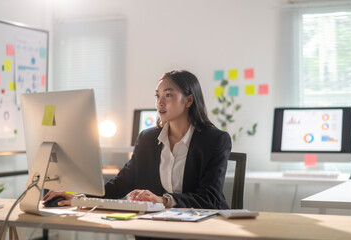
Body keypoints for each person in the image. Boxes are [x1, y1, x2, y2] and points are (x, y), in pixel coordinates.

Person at [43, 70, 231, 210]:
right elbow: (121, 183)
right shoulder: (148, 139)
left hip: (205, 227)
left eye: (168, 95)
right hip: (162, 226)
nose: (160, 102)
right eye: (158, 96)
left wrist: (164, 200)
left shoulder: (216, 140)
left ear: (189, 100)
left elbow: (210, 198)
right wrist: (78, 195)